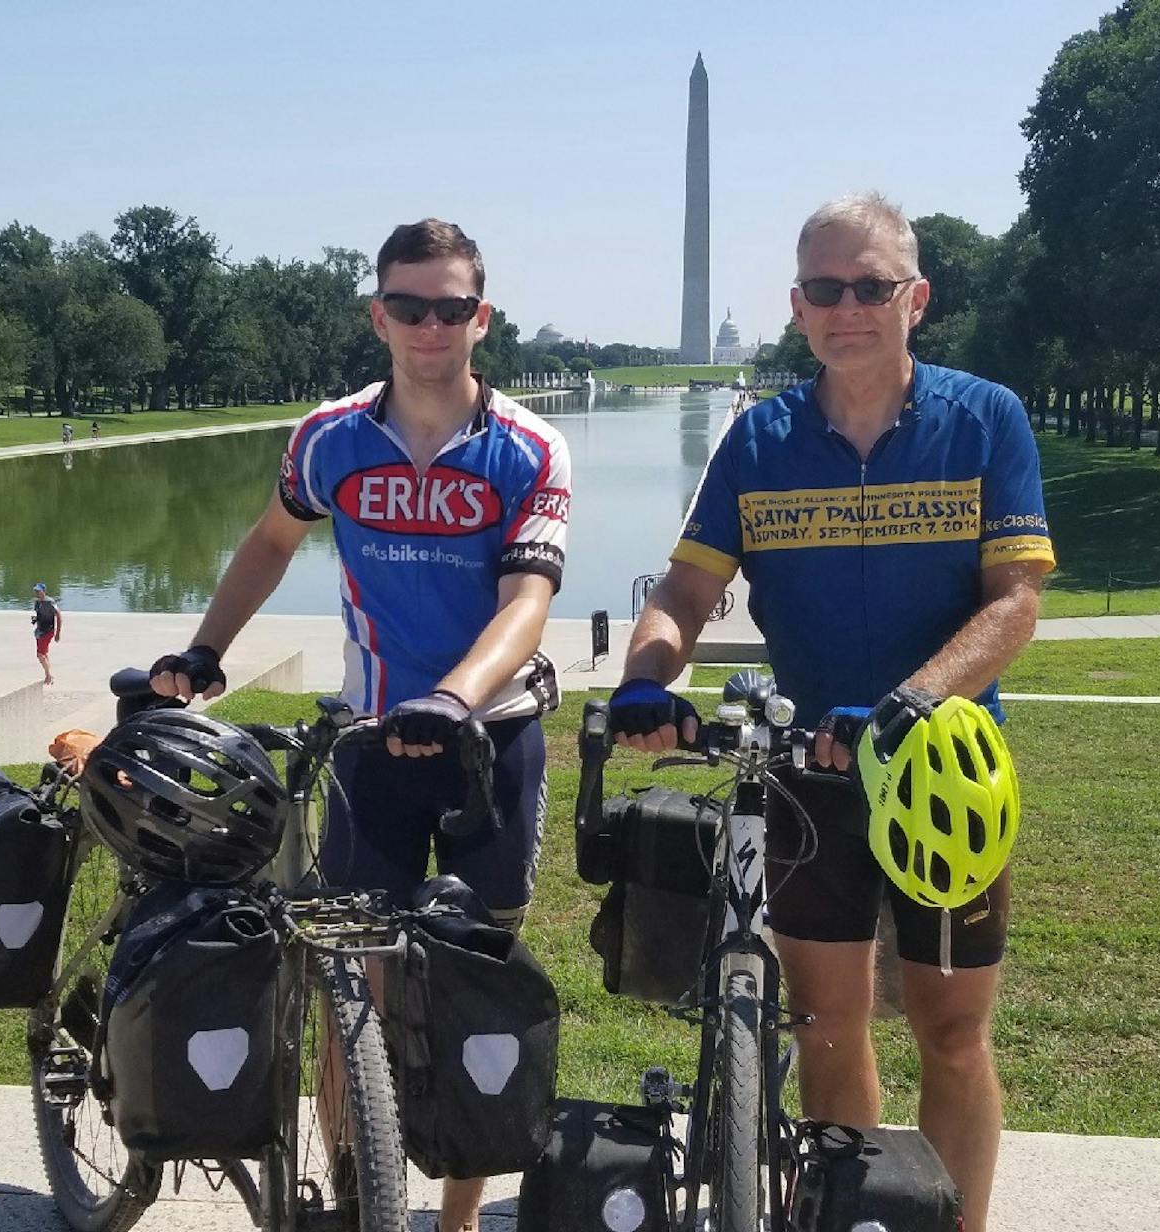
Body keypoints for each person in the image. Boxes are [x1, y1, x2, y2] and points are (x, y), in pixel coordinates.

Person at [606, 193, 1055, 1232]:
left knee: (950, 1031)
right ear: (797, 308)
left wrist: (906, 703)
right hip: (808, 778)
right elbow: (681, 591)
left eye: (870, 286)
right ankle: (853, 1220)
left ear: (916, 298)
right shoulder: (760, 442)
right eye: (823, 289)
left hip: (946, 777)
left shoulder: (984, 416)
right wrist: (645, 676)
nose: (845, 307)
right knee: (825, 1026)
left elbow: (1014, 598)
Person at [148, 218, 570, 1232]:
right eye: (409, 306)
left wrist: (457, 694)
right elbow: (269, 539)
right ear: (377, 313)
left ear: (482, 316)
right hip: (372, 746)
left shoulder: (526, 445)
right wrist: (204, 649)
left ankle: (460, 1216)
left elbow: (526, 599)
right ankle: (355, 1200)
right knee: (353, 991)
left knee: (475, 991)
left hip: (489, 739)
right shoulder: (328, 436)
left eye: (451, 307)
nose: (430, 326)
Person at [32, 582, 62, 685]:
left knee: (40, 655)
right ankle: (49, 674)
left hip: (48, 631)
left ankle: (48, 676)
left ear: (44, 591)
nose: (37, 593)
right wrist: (35, 619)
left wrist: (58, 632)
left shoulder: (50, 602)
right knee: (43, 654)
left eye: (38, 591)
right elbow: (39, 614)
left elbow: (58, 615)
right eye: (36, 591)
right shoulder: (37, 602)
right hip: (39, 631)